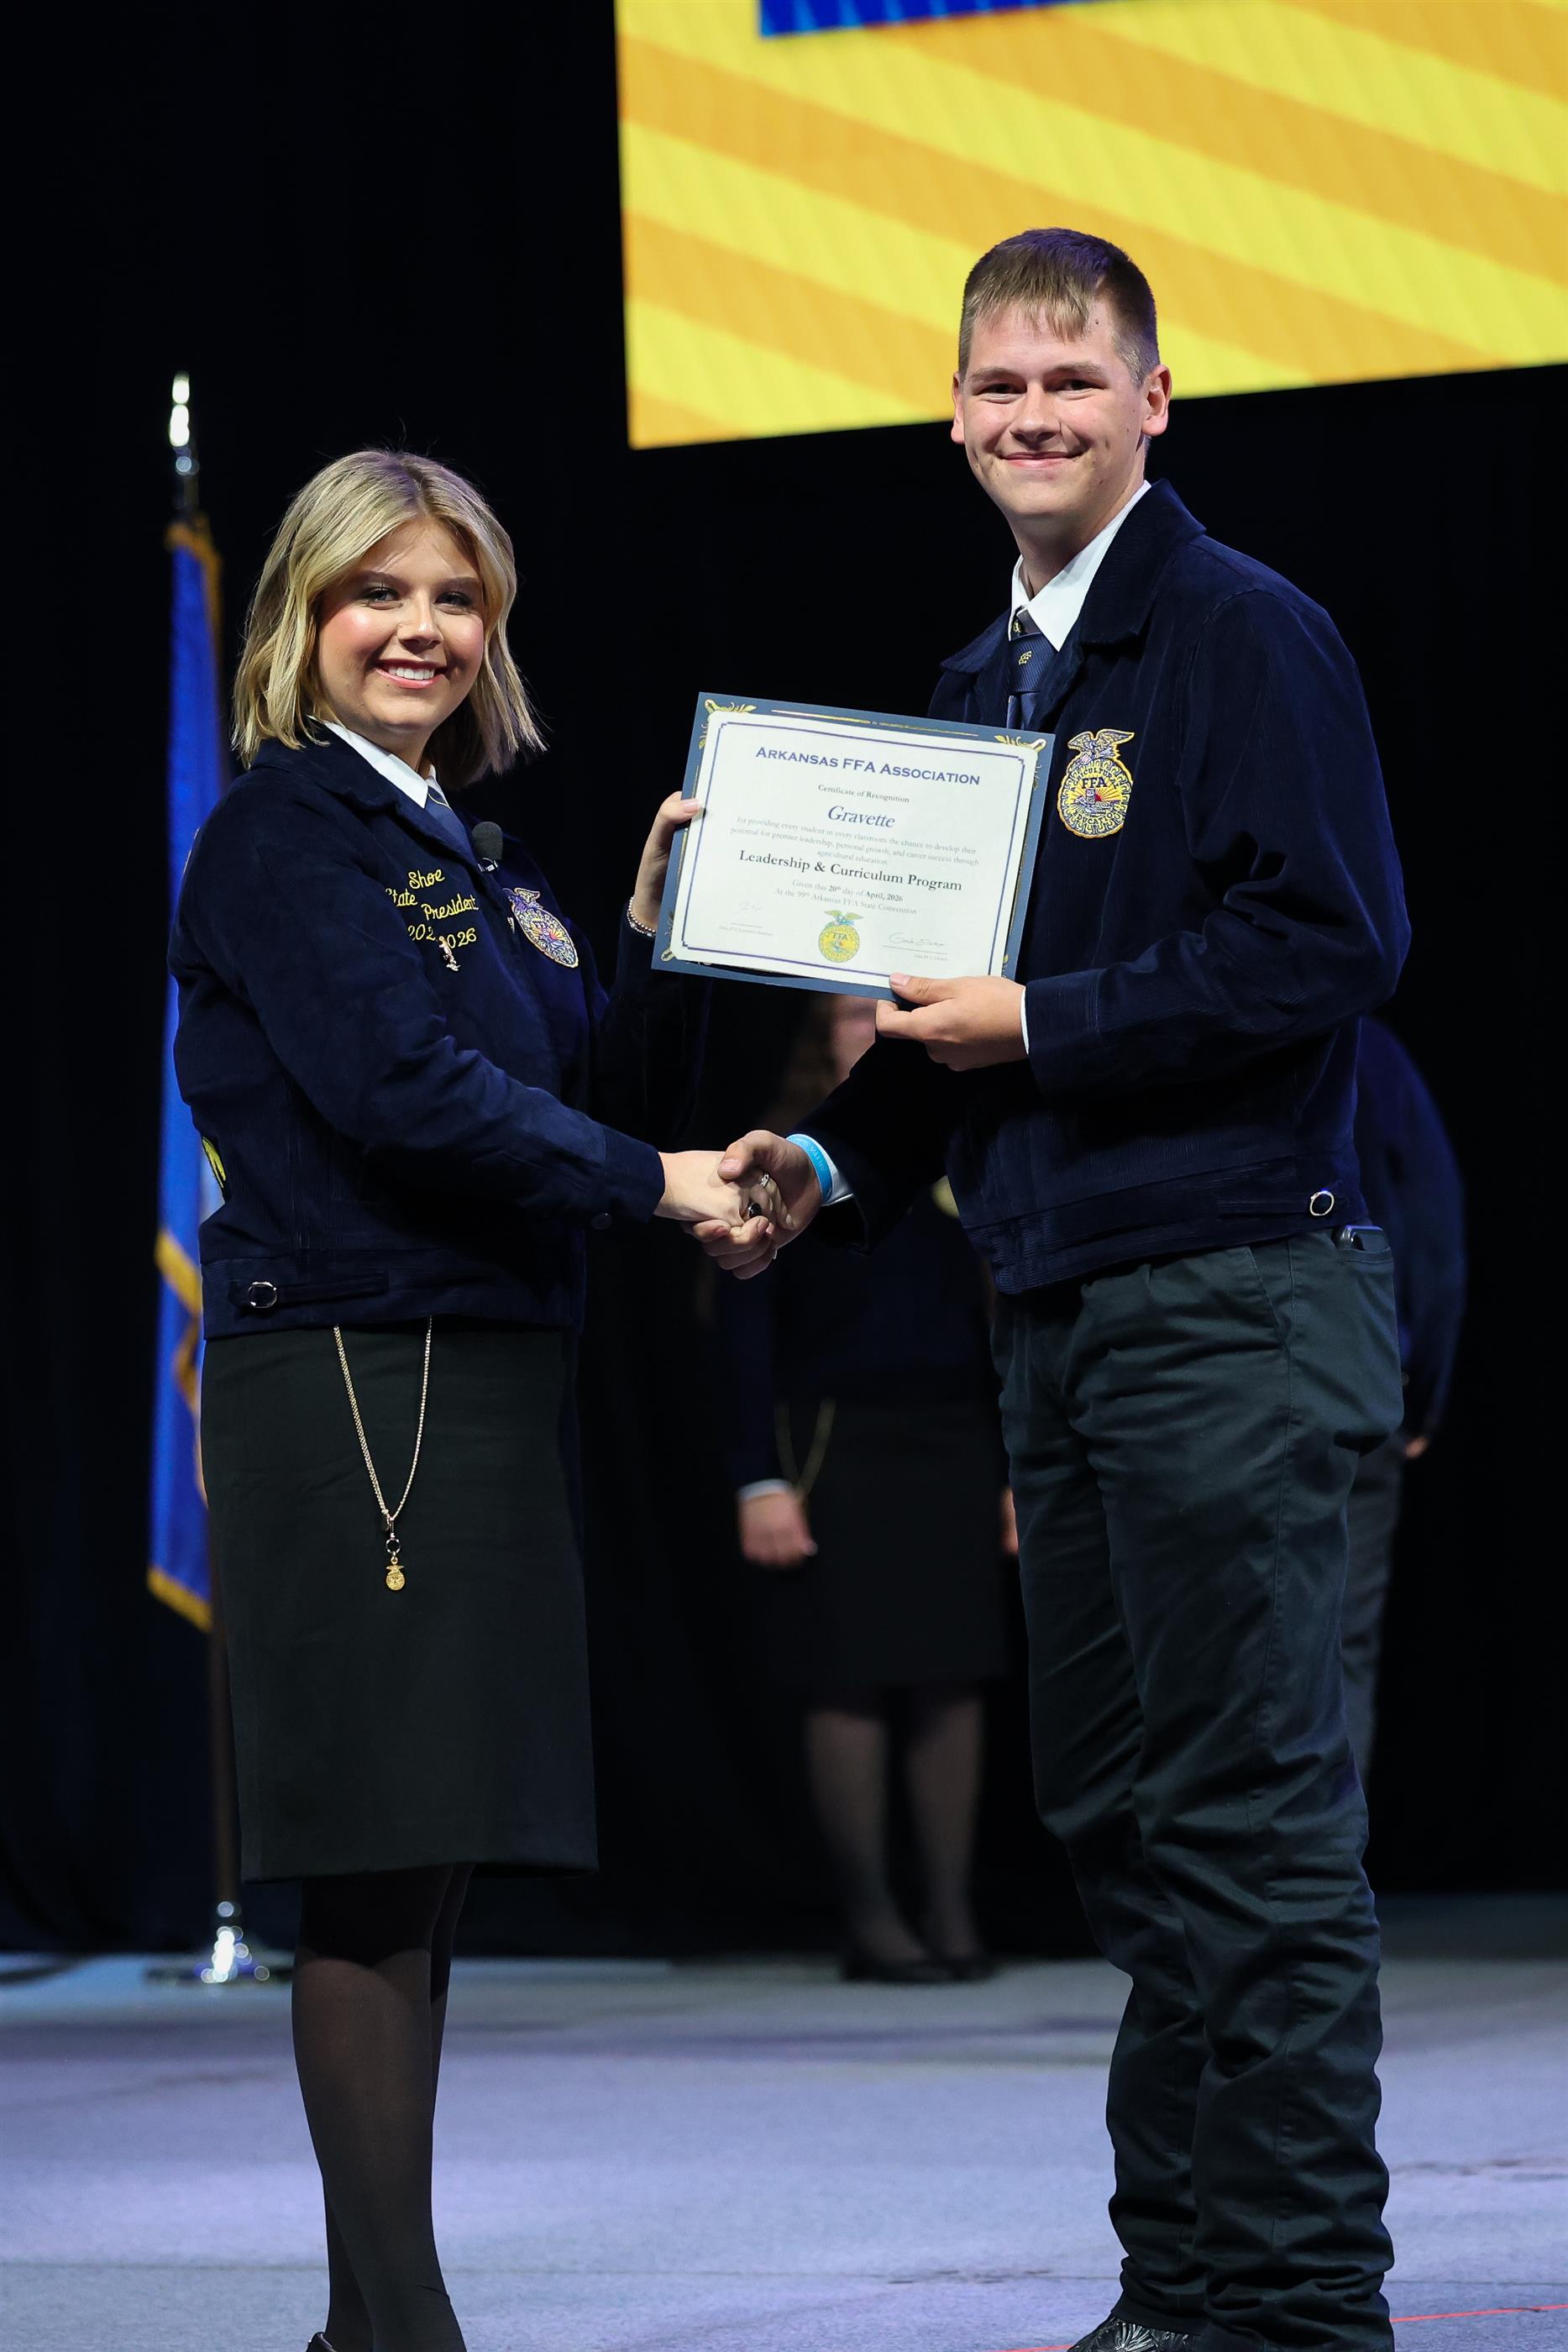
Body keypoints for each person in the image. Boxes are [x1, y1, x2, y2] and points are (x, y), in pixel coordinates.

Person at [698, 229, 1409, 2352]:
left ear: (1151, 402)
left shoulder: (1241, 632)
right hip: (1057, 1310)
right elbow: (937, 1037)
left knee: (1250, 1825)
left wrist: (1053, 1018)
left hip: (1231, 1297)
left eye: (1071, 382)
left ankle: (1299, 2309)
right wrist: (820, 1163)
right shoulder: (969, 689)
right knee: (1117, 1819)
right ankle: (1182, 2284)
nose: (1033, 416)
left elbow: (1332, 942)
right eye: (999, 385)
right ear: (951, 414)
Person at [171, 451, 746, 2352]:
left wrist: (655, 936)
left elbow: (584, 1100)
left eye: (456, 598)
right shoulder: (284, 839)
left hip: (475, 1374)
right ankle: (399, 2330)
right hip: (353, 1378)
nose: (419, 628)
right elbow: (407, 1100)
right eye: (378, 592)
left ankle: (371, 2330)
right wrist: (658, 1186)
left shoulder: (479, 858)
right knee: (369, 1864)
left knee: (420, 1867)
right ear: (302, 617)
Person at [713, 993, 1010, 1982]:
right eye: (852, 1014)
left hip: (955, 1432)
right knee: (849, 1673)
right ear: (821, 1035)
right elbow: (742, 1329)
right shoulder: (790, 1155)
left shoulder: (968, 1127)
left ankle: (952, 1911)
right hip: (833, 1438)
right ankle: (873, 1919)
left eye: (888, 1009)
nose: (873, 1026)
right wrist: (757, 1477)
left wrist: (1018, 1469)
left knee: (951, 1670)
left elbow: (1003, 1310)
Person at [1342, 1018, 1466, 1778]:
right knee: (1340, 1646)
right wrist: (1424, 1388)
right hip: (1360, 1374)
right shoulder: (1369, 1050)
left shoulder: (1186, 1026)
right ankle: (1322, 1857)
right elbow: (1433, 1229)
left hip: (1201, 1373)